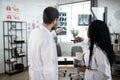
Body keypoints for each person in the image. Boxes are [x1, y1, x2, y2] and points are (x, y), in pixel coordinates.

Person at [28, 7, 59, 80]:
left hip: (33, 74)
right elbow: (49, 67)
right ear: (55, 20)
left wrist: (55, 32)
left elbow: (45, 35)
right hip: (44, 76)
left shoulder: (34, 32)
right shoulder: (48, 39)